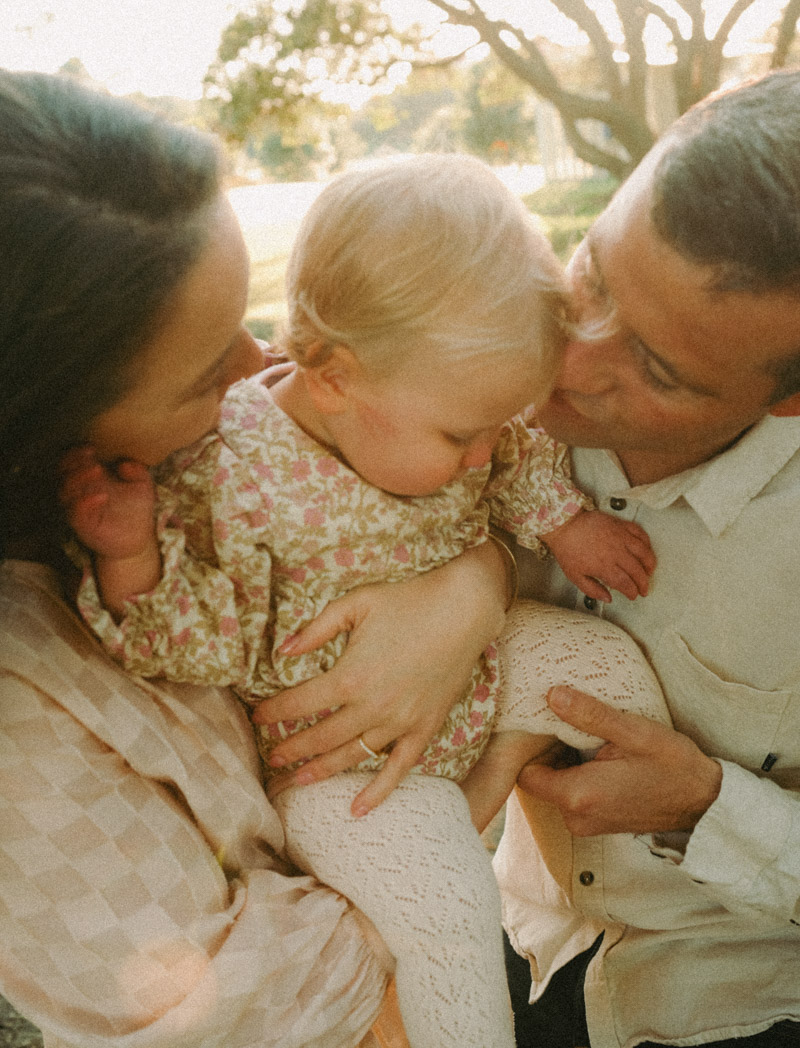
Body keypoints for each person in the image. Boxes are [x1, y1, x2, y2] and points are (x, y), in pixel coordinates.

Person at [61, 154, 669, 1048]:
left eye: (494, 426)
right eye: (460, 435)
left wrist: (563, 521)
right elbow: (197, 649)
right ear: (336, 376)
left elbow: (511, 457)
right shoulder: (231, 477)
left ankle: (659, 871)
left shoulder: (445, 404)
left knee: (601, 661)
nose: (478, 457)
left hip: (478, 670)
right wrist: (135, 559)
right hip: (346, 770)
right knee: (447, 910)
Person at [251, 69, 800, 1048]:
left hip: (731, 993)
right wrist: (471, 585)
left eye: (655, 370)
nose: (574, 359)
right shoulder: (474, 380)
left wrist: (705, 804)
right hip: (519, 932)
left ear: (786, 400)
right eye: (588, 277)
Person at [0, 68, 503, 1048]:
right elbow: (326, 1010)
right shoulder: (24, 710)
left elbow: (434, 506)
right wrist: (461, 797)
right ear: (44, 430)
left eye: (246, 312)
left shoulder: (201, 463)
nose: (261, 362)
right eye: (204, 370)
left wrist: (463, 591)